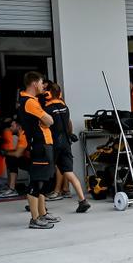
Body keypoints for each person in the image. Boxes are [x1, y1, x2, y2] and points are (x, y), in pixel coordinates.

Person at [19, 72, 59, 229]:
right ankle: (34, 219)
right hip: (39, 145)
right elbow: (50, 120)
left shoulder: (33, 101)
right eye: (42, 83)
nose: (44, 86)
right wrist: (45, 120)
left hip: (45, 144)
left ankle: (42, 214)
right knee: (36, 182)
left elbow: (47, 121)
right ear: (34, 83)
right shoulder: (29, 102)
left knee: (44, 181)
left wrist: (45, 120)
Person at [43, 84, 91, 212]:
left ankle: (39, 204)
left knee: (44, 172)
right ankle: (82, 200)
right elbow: (69, 123)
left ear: (49, 94)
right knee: (68, 171)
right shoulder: (65, 106)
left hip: (54, 142)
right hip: (65, 142)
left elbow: (44, 124)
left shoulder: (46, 108)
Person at [0, 118, 27, 198]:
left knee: (12, 158)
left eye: (12, 126)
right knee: (10, 157)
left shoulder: (23, 135)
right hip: (31, 161)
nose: (10, 128)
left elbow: (17, 154)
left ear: (19, 127)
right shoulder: (21, 135)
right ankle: (10, 186)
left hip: (36, 164)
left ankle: (12, 189)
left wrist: (5, 152)